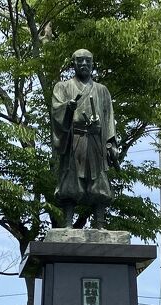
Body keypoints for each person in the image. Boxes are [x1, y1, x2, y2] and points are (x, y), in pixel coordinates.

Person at [51, 49, 119, 229]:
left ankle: (100, 221)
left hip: (96, 141)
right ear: (73, 63)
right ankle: (67, 222)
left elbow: (108, 118)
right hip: (74, 139)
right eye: (79, 61)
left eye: (87, 61)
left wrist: (111, 142)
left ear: (92, 63)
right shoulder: (63, 87)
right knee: (71, 179)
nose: (83, 64)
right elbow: (56, 111)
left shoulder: (102, 91)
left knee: (99, 181)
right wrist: (68, 108)